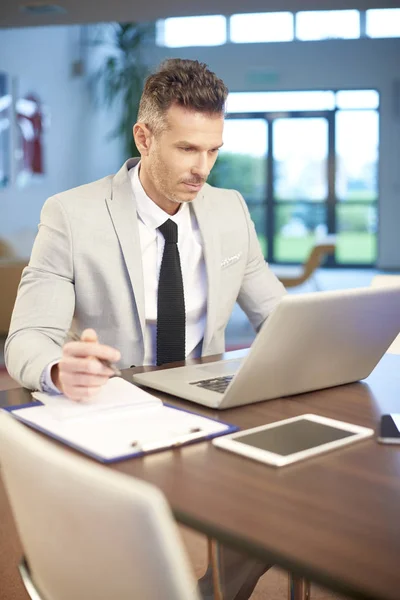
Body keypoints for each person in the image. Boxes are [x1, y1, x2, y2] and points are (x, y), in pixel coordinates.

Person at [5, 58, 286, 599]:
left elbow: (275, 311)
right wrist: (60, 367)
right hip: (117, 408)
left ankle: (218, 591)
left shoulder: (229, 209)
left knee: (279, 500)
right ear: (145, 136)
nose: (203, 168)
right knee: (116, 559)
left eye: (213, 150)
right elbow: (26, 339)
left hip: (205, 403)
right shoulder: (71, 213)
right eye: (187, 149)